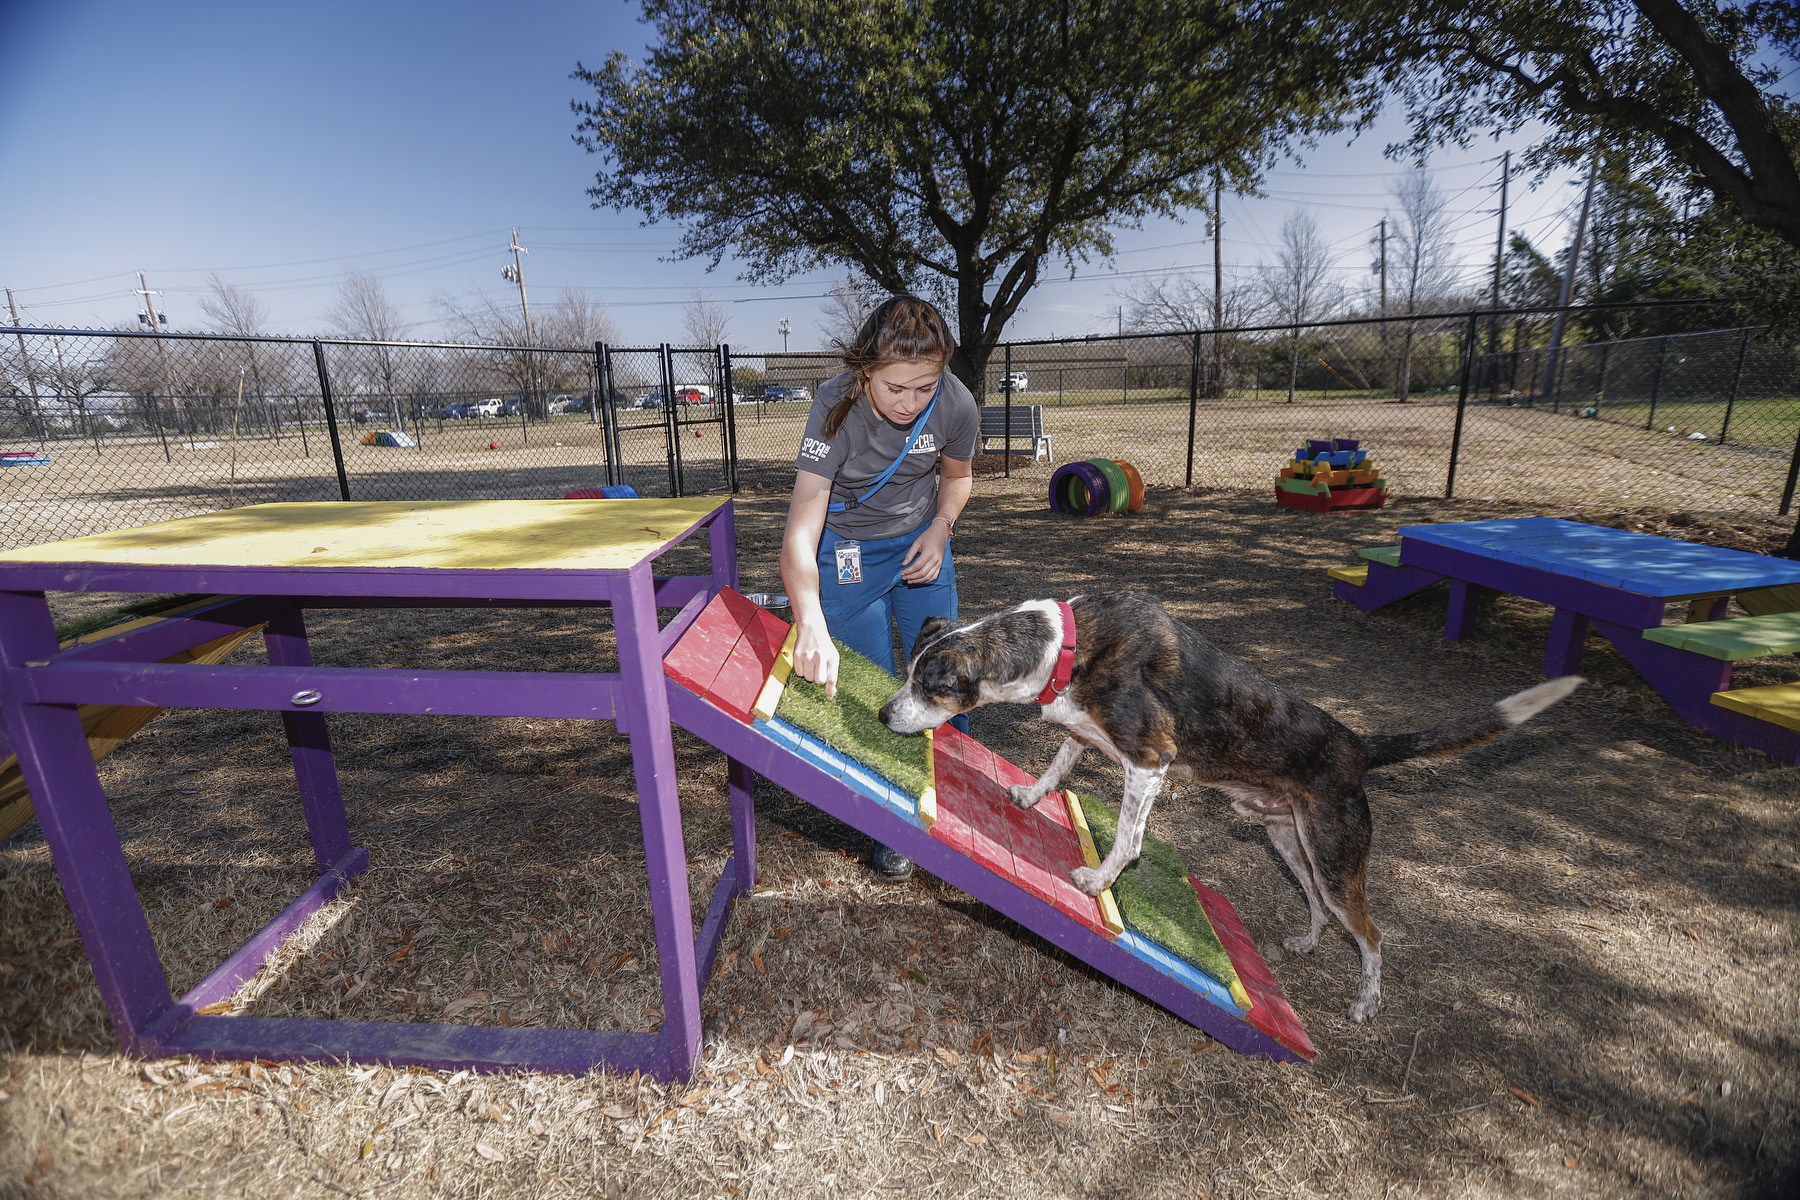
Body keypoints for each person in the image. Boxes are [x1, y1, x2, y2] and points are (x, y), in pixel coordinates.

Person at [781, 295, 978, 880]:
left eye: (925, 387)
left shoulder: (957, 403)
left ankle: (953, 804)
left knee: (947, 675)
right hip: (849, 553)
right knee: (867, 688)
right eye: (896, 388)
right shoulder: (834, 407)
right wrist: (809, 619)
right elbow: (800, 527)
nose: (911, 403)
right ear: (866, 368)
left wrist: (942, 530)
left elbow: (958, 479)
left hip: (922, 543)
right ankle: (894, 818)